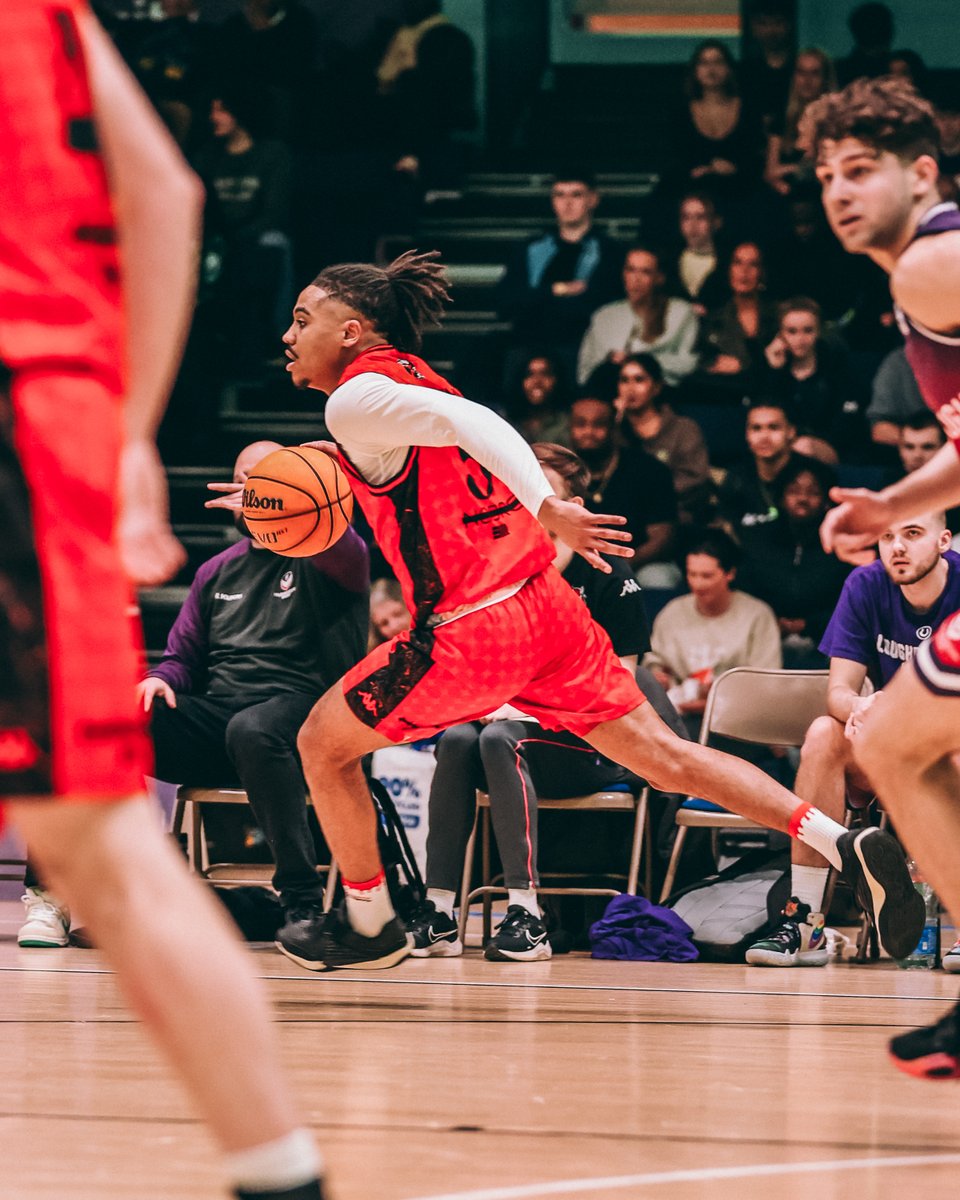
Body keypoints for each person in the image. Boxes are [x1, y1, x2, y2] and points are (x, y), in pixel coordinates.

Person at [269, 248, 921, 978]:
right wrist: (278, 501)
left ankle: (369, 922)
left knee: (322, 744)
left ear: (352, 330)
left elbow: (473, 421)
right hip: (545, 607)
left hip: (472, 626)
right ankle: (840, 840)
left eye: (303, 319)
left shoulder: (354, 397)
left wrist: (546, 503)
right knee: (668, 760)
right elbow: (427, 447)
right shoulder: (402, 385)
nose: (289, 334)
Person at [0, 6, 325, 1199]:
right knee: (106, 850)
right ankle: (282, 1175)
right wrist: (128, 429)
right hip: (44, 417)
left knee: (105, 844)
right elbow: (168, 194)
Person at [807, 76, 960, 1077]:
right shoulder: (928, 270)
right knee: (895, 742)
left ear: (922, 172)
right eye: (825, 176)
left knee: (897, 745)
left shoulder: (934, 264)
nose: (838, 191)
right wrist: (898, 504)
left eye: (860, 170)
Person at [407, 443, 649, 962]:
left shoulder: (612, 577)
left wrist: (522, 708)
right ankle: (440, 911)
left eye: (541, 493)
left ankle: (527, 912)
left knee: (499, 737)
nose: (525, 502)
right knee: (455, 737)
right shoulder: (495, 575)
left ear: (575, 507)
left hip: (591, 744)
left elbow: (620, 689)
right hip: (511, 730)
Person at [143, 440, 369, 946]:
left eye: (267, 480)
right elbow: (182, 659)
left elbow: (345, 543)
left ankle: (303, 903)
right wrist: (161, 680)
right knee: (110, 717)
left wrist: (295, 505)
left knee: (255, 728)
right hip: (222, 723)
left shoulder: (331, 554)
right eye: (245, 480)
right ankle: (94, 895)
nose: (253, 491)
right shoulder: (215, 570)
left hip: (306, 716)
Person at [747, 511, 960, 967]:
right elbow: (838, 693)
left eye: (912, 533)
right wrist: (863, 708)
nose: (896, 547)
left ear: (944, 541)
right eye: (886, 536)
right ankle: (805, 923)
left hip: (949, 741)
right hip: (889, 747)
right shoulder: (865, 585)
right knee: (824, 733)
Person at [644, 529, 782, 736]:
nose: (698, 584)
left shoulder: (757, 615)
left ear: (730, 573)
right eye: (692, 574)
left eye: (707, 576)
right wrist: (659, 677)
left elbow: (766, 682)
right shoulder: (673, 612)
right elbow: (655, 663)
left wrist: (717, 698)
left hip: (739, 719)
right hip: (680, 713)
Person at [498, 168, 622, 381]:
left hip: (581, 343)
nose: (567, 203)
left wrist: (538, 297)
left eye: (576, 194)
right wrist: (558, 290)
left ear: (593, 199)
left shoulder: (610, 252)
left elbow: (600, 304)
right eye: (560, 195)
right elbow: (505, 302)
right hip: (528, 342)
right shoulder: (530, 248)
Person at [738, 457, 852, 667]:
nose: (803, 498)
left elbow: (852, 602)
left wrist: (808, 624)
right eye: (794, 490)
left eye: (813, 492)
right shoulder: (759, 538)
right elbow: (745, 592)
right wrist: (771, 620)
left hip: (827, 640)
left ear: (827, 501)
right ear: (781, 497)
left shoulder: (842, 543)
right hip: (767, 634)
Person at [565, 392, 679, 587]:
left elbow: (662, 538)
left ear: (613, 428)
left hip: (637, 562)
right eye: (580, 424)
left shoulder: (648, 469)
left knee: (658, 578)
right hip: (575, 562)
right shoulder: (558, 471)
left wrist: (618, 566)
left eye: (598, 425)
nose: (589, 432)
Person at [760, 295, 868, 459]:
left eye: (808, 330)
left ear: (818, 331)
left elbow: (847, 427)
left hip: (832, 451)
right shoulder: (773, 373)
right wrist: (774, 372)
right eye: (792, 331)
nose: (800, 339)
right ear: (780, 334)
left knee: (803, 447)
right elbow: (762, 417)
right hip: (781, 450)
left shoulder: (838, 369)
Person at [576, 245, 699, 388]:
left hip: (660, 393)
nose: (636, 279)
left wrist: (638, 360)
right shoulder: (605, 315)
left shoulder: (680, 312)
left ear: (659, 278)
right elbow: (585, 372)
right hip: (608, 391)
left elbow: (689, 363)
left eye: (645, 272)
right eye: (630, 270)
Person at [614, 353, 713, 526]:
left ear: (657, 387)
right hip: (623, 515)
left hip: (675, 515)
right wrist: (613, 423)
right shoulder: (614, 430)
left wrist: (647, 495)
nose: (630, 388)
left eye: (639, 380)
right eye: (624, 380)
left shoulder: (683, 428)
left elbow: (695, 479)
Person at [717, 397, 814, 530]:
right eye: (756, 428)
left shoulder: (815, 476)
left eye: (773, 428)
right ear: (747, 434)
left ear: (791, 432)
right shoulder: (736, 477)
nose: (764, 437)